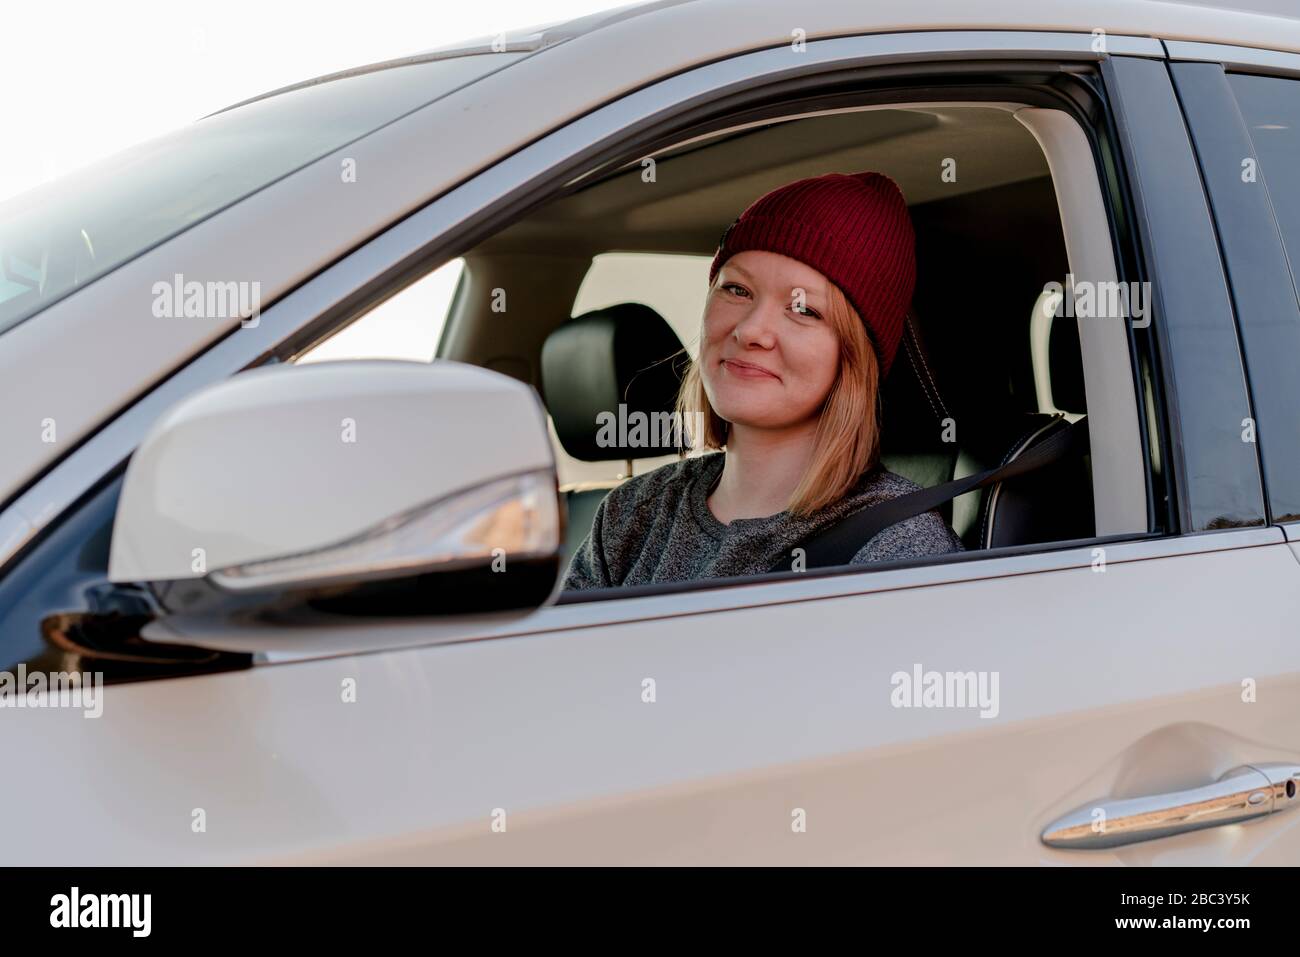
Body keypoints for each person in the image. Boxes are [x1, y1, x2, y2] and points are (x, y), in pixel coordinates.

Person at [563, 170, 963, 590]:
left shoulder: (898, 549)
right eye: (737, 290)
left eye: (803, 309)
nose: (751, 331)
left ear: (853, 357)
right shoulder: (633, 514)